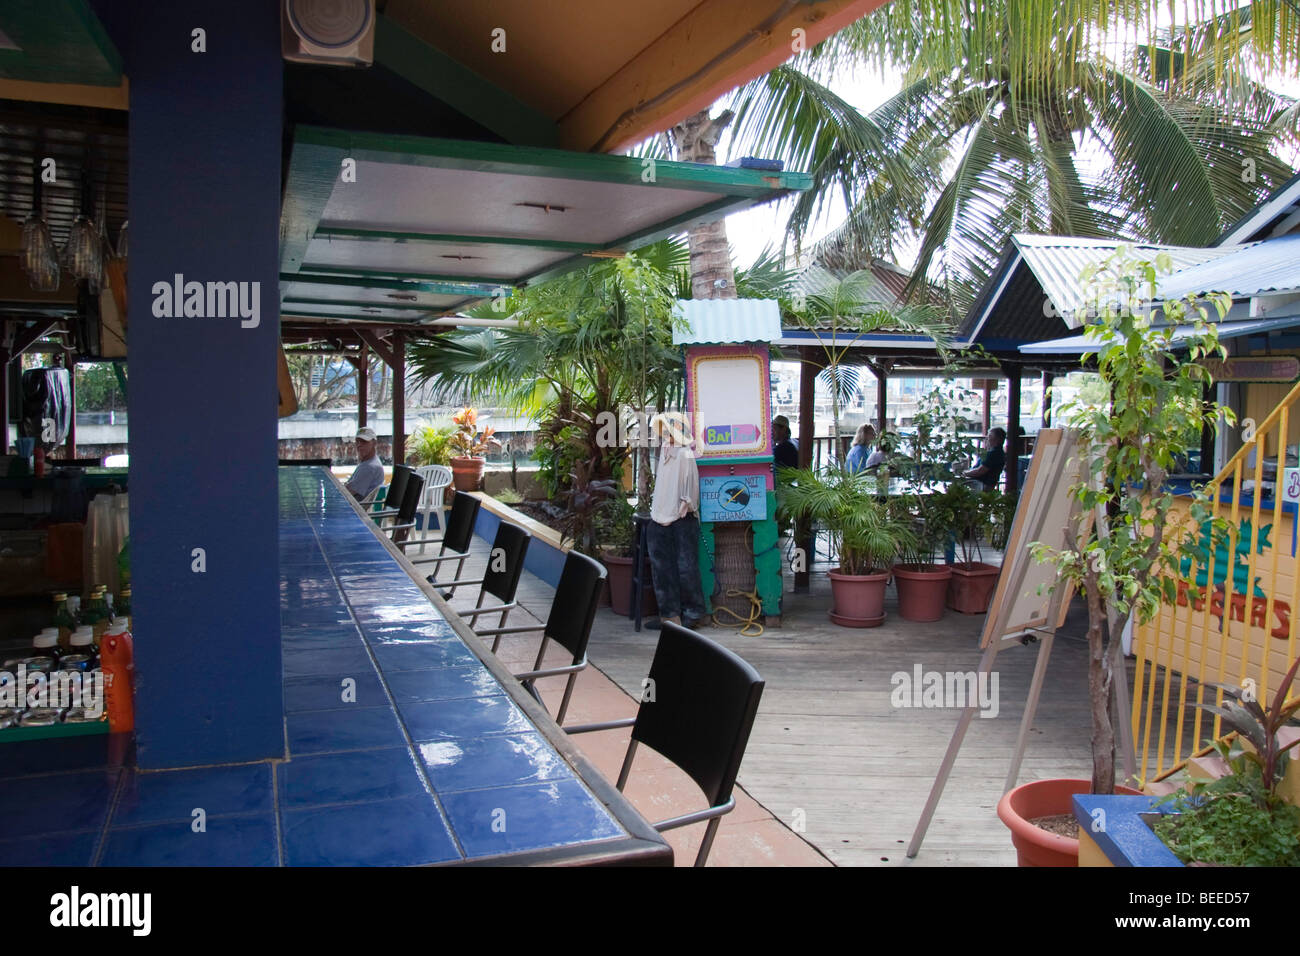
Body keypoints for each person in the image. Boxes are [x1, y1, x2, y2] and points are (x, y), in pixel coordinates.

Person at [646, 414, 708, 630]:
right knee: (662, 570)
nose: (665, 433)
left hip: (681, 517)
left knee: (686, 568)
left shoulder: (684, 454)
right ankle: (669, 617)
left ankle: (693, 614)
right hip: (659, 516)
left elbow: (690, 485)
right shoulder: (665, 451)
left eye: (668, 429)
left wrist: (685, 504)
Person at [344, 427, 385, 501]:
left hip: (358, 507)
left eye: (364, 441)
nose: (359, 445)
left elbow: (346, 493)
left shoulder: (369, 467)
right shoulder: (370, 462)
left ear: (374, 443)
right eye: (357, 441)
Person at [963, 426, 1006, 491]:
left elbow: (980, 471)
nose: (987, 439)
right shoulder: (995, 452)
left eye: (989, 436)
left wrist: (965, 473)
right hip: (980, 482)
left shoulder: (994, 454)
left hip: (982, 484)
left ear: (997, 439)